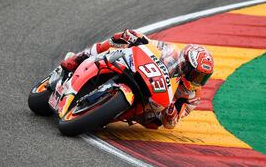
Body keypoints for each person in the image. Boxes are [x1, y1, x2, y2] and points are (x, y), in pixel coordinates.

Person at [61, 29, 214, 129]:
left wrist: (171, 111)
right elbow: (150, 44)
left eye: (203, 78)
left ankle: (103, 115)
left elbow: (171, 124)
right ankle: (81, 57)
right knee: (122, 40)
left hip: (151, 107)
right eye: (195, 74)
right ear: (185, 63)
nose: (197, 80)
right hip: (143, 73)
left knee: (154, 122)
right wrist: (136, 37)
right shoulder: (171, 52)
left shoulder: (193, 96)